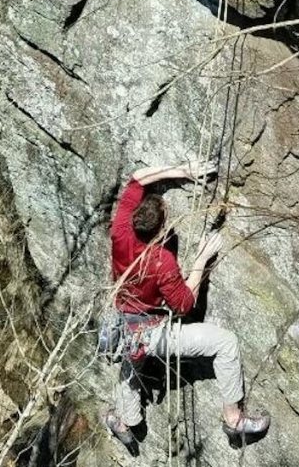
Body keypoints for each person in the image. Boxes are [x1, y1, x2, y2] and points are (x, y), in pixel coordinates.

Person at [103, 159, 270, 450]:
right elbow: (183, 305)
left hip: (124, 322)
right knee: (226, 343)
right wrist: (201, 260)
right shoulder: (160, 260)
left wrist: (182, 171)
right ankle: (234, 421)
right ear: (160, 230)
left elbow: (137, 179)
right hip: (153, 332)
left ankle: (127, 422)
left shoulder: (120, 230)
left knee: (132, 358)